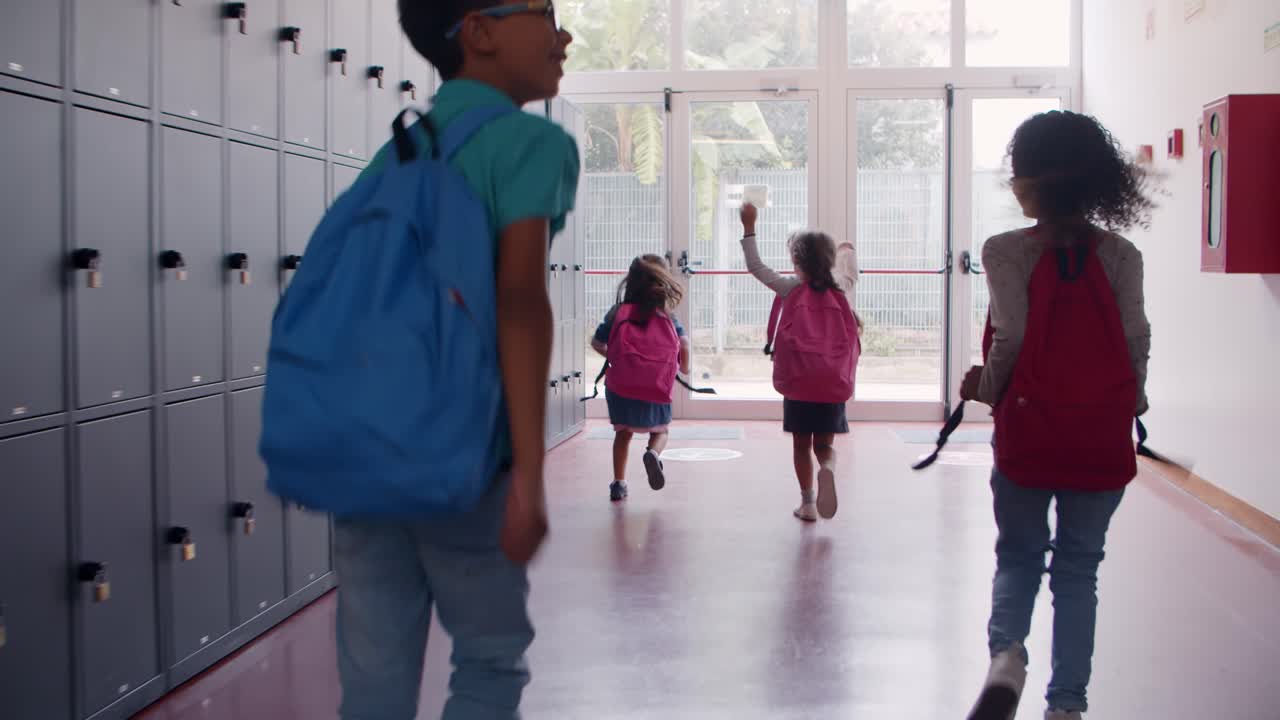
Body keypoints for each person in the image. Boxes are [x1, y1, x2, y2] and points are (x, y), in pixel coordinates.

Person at [331, 2, 579, 718]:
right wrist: (529, 476)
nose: (563, 35)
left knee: (374, 677)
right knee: (490, 660)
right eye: (544, 13)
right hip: (457, 456)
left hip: (360, 450)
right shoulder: (527, 141)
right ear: (479, 32)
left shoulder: (400, 149)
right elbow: (521, 302)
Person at [960, 110, 1154, 720]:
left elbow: (1009, 337)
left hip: (1029, 431)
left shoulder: (1006, 251)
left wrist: (986, 389)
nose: (1013, 187)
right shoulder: (1122, 253)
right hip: (1099, 436)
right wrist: (1132, 400)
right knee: (1078, 568)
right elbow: (1136, 337)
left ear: (1039, 182)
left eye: (1018, 175)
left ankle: (1007, 659)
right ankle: (1067, 705)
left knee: (1018, 555)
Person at [739, 203, 861, 522]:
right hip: (832, 382)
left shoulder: (790, 287)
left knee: (800, 445)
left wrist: (749, 225)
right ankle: (828, 468)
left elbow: (756, 266)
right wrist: (848, 252)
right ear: (829, 260)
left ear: (796, 261)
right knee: (824, 444)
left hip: (799, 381)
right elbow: (850, 273)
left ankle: (808, 503)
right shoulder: (840, 289)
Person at [591, 255, 691, 502]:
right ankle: (653, 454)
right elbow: (684, 343)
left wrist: (614, 356)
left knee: (622, 435)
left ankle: (618, 483)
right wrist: (684, 368)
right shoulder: (666, 314)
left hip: (621, 386)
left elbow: (596, 342)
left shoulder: (618, 311)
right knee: (660, 431)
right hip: (655, 385)